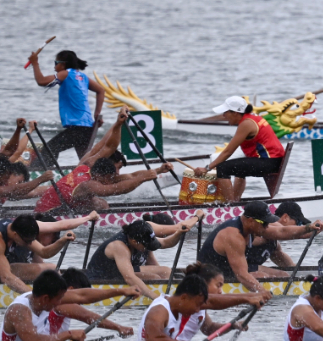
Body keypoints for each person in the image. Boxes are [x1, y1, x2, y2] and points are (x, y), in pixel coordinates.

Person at [33, 111, 173, 214]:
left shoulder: (85, 166)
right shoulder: (89, 185)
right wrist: (143, 178)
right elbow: (116, 189)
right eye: (111, 177)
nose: (113, 179)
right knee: (100, 204)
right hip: (47, 213)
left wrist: (158, 170)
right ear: (101, 175)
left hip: (61, 205)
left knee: (100, 204)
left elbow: (109, 147)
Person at [192, 96, 286, 202]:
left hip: (269, 163)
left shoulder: (246, 124)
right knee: (238, 167)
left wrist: (207, 168)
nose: (223, 115)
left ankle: (230, 205)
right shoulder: (252, 117)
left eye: (225, 112)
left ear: (235, 113)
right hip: (274, 161)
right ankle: (235, 201)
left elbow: (228, 151)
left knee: (222, 168)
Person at [86, 215, 202, 299]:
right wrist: (155, 297)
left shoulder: (143, 232)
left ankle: (168, 297)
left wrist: (179, 234)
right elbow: (129, 278)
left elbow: (167, 243)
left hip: (120, 272)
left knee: (164, 272)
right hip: (101, 278)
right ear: (133, 241)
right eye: (145, 245)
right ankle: (162, 300)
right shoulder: (119, 247)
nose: (148, 247)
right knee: (157, 276)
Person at [196, 200, 298, 294]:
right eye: (264, 223)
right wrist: (265, 294)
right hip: (211, 275)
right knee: (262, 276)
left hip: (230, 268)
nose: (267, 226)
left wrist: (306, 229)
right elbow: (242, 275)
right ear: (251, 221)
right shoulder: (234, 234)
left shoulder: (253, 226)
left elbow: (282, 231)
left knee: (283, 275)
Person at [27, 49, 105, 168]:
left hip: (77, 129)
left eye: (56, 63)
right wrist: (97, 113)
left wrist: (35, 63)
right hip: (87, 127)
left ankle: (39, 173)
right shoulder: (83, 76)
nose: (54, 67)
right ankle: (98, 176)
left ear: (63, 64)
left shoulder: (65, 74)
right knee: (85, 162)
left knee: (49, 149)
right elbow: (101, 90)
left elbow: (41, 81)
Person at [2, 271, 88, 341]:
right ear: (45, 298)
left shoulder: (37, 299)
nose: (60, 303)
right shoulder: (19, 311)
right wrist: (69, 334)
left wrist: (107, 293)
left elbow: (83, 296)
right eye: (59, 299)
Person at [136, 273, 223, 341]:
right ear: (184, 297)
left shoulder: (176, 308)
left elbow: (215, 304)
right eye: (197, 304)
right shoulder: (159, 311)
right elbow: (152, 340)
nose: (197, 310)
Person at [0, 214, 79, 287]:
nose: (54, 241)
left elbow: (44, 254)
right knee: (51, 269)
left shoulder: (24, 237)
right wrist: (32, 295)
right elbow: (6, 276)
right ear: (44, 233)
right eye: (54, 237)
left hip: (8, 272)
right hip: (4, 273)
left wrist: (62, 241)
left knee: (50, 271)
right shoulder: (22, 236)